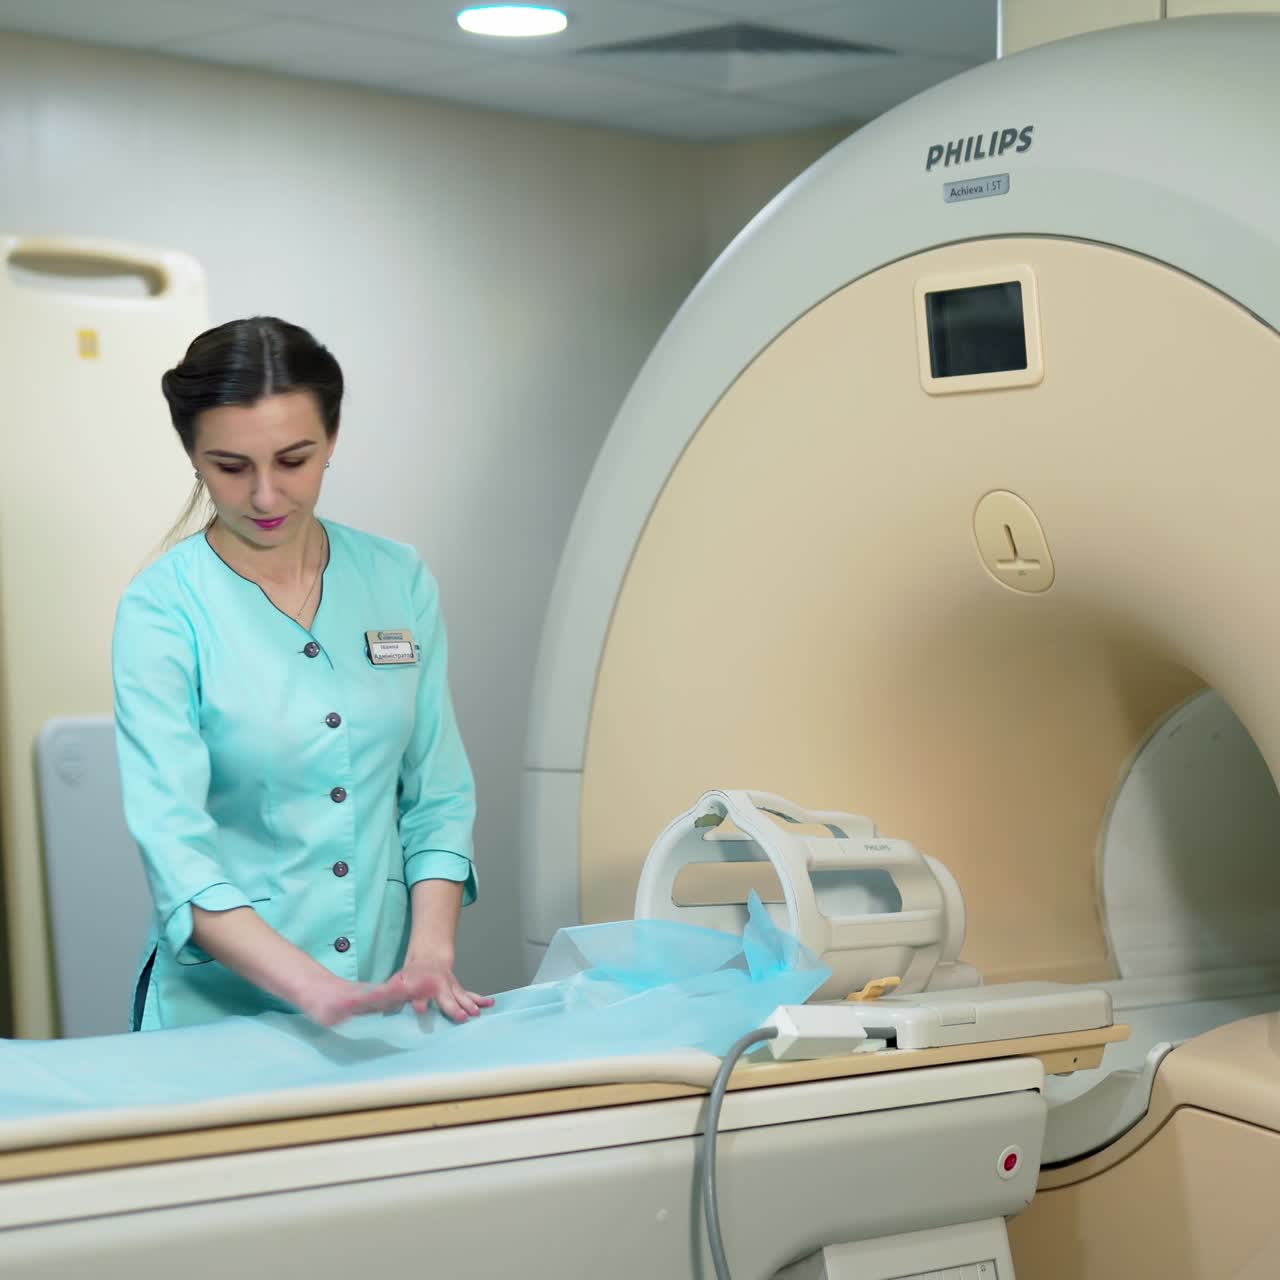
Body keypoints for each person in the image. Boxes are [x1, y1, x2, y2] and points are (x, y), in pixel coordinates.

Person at [112, 316, 493, 1031]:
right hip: (216, 1013)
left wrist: (430, 954)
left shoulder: (397, 579)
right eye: (231, 467)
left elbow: (438, 796)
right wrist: (315, 988)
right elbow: (175, 847)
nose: (265, 496)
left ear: (333, 438)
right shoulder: (162, 608)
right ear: (192, 453)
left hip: (384, 989)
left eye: (293, 461)